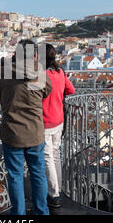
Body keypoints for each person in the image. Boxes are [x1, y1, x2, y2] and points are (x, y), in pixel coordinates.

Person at [0, 40, 52, 215]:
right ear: (35, 55)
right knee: (38, 174)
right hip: (35, 132)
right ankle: (41, 211)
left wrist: (5, 61)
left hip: (12, 133)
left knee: (15, 176)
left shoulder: (3, 72)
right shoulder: (39, 72)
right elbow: (47, 91)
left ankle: (19, 215)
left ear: (15, 55)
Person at [42, 44, 75, 209]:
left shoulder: (41, 75)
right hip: (59, 120)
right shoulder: (60, 72)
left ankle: (54, 194)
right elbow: (71, 90)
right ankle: (57, 190)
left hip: (45, 121)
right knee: (55, 155)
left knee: (48, 157)